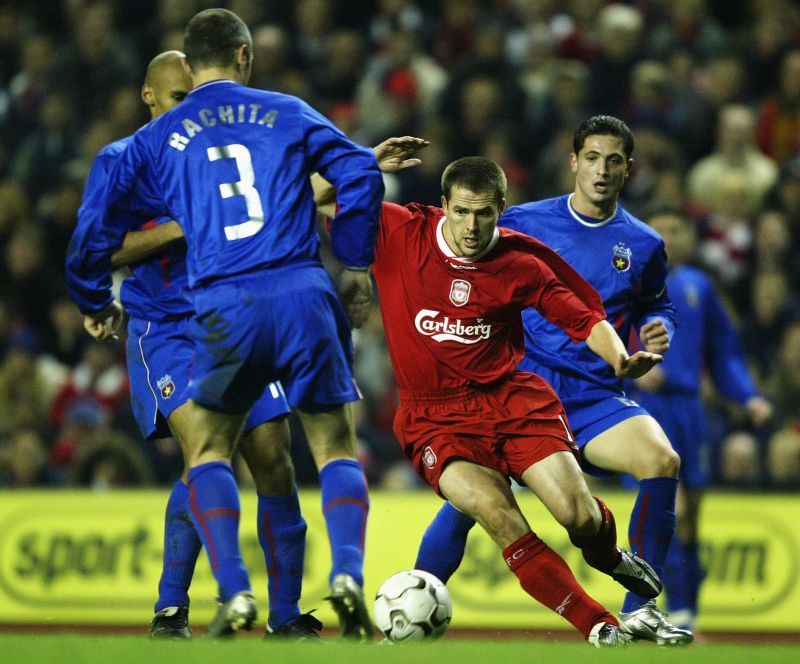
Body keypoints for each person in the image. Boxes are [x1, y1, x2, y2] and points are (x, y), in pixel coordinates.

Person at [66, 8, 383, 637]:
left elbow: (275, 189)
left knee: (274, 459)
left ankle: (285, 613)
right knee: (206, 452)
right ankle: (172, 605)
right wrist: (106, 294)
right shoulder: (128, 155)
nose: (190, 108)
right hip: (172, 325)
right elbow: (106, 244)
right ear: (148, 95)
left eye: (190, 94)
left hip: (225, 310)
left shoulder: (184, 140)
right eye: (175, 98)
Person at [317, 145, 665, 647]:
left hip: (512, 402)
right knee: (497, 514)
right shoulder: (397, 230)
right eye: (461, 212)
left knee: (580, 517)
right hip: (435, 419)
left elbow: (583, 317)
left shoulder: (519, 261)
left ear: (500, 210)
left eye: (484, 214)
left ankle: (608, 556)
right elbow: (313, 195)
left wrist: (618, 358)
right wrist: (365, 162)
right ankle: (599, 624)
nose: (472, 227)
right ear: (444, 204)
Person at [414, 116, 693, 646]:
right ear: (573, 162)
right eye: (592, 157)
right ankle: (415, 596)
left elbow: (659, 302)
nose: (601, 170)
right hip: (520, 387)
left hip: (593, 396)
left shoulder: (645, 242)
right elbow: (463, 262)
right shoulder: (522, 220)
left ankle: (640, 612)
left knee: (661, 460)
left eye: (613, 160)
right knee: (474, 498)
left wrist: (663, 328)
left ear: (628, 169)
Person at [628, 205, 772, 631]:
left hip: (691, 409)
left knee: (692, 514)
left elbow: (724, 352)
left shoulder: (698, 287)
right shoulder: (629, 284)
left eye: (680, 231)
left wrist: (748, 397)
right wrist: (631, 370)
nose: (673, 238)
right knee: (663, 511)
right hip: (646, 409)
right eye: (664, 231)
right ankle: (657, 608)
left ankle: (685, 612)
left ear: (692, 238)